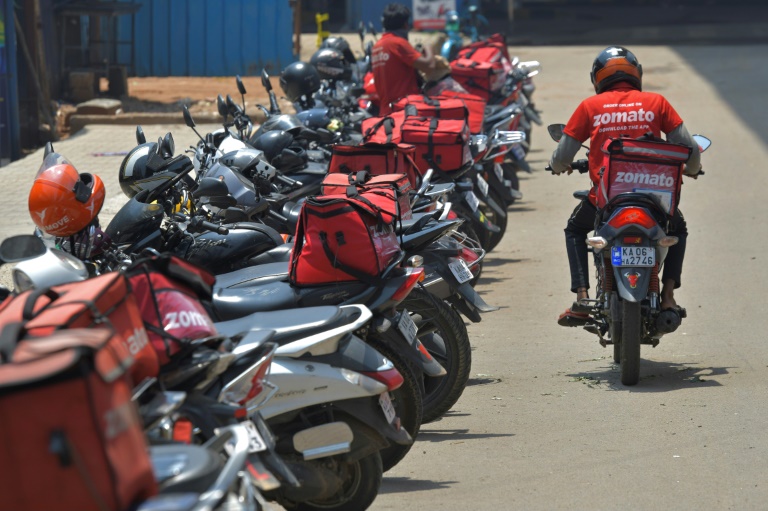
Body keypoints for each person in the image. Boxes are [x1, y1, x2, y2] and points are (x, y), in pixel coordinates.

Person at [549, 46, 701, 327]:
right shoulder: (657, 102)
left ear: (597, 78)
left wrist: (559, 167)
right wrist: (692, 170)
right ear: (637, 74)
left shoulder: (589, 107)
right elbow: (689, 149)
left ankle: (582, 299)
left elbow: (562, 156)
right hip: (654, 200)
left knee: (575, 229)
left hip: (607, 200)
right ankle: (667, 297)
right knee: (678, 229)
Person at [372, 3, 436, 115]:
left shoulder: (378, 46)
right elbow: (429, 66)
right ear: (405, 25)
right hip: (404, 111)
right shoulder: (397, 43)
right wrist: (429, 47)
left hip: (387, 112)